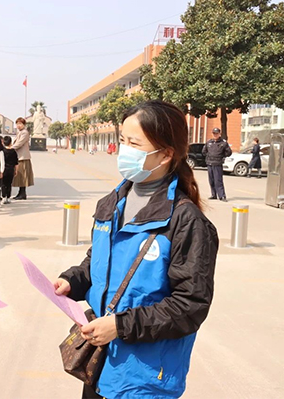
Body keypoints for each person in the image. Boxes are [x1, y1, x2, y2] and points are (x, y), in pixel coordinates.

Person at [54, 100, 218, 399]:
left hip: (144, 377)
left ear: (166, 154)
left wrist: (120, 326)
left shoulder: (186, 221)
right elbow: (99, 262)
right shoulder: (112, 203)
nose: (124, 150)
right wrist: (73, 280)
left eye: (134, 143)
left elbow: (190, 305)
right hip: (100, 365)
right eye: (122, 140)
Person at [202, 127, 232, 201]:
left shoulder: (223, 143)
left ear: (219, 134)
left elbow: (229, 152)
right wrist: (208, 156)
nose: (215, 135)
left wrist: (222, 156)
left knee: (218, 180)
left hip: (217, 164)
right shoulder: (209, 142)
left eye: (216, 133)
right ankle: (213, 194)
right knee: (211, 180)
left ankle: (222, 196)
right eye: (214, 133)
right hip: (210, 163)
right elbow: (204, 151)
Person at [12, 117, 34, 200]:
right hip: (19, 157)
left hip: (23, 157)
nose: (18, 125)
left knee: (23, 176)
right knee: (20, 176)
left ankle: (22, 193)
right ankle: (21, 193)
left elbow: (19, 143)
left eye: (20, 124)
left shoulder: (25, 133)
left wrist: (10, 148)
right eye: (17, 124)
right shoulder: (19, 132)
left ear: (24, 124)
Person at [1, 135, 18, 204]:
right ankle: (8, 197)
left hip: (4, 169)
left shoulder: (3, 151)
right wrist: (16, 170)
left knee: (3, 184)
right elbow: (16, 162)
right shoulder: (13, 151)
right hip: (11, 169)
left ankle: (3, 197)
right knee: (9, 184)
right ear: (11, 142)